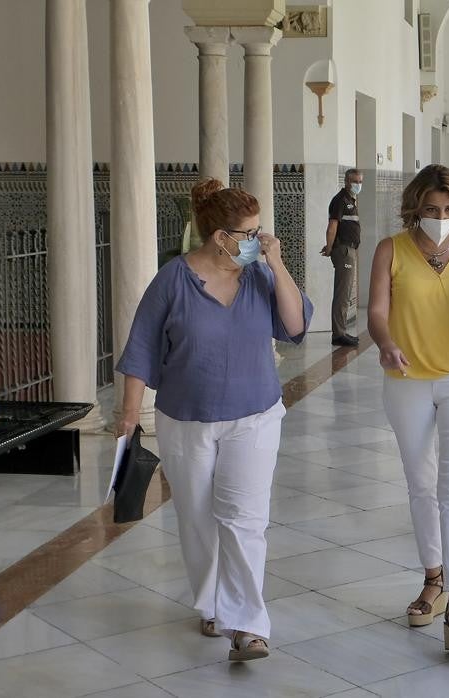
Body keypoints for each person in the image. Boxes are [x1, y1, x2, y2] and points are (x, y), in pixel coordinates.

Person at [115, 178, 314, 663]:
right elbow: (141, 347)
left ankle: (248, 624)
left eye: (260, 230)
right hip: (186, 420)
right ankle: (211, 604)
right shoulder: (172, 280)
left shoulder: (261, 277)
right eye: (249, 233)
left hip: (255, 415)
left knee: (245, 521)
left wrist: (277, 261)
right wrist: (127, 414)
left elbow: (296, 326)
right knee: (198, 518)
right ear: (219, 237)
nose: (258, 239)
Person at [368, 164, 449, 653]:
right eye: (431, 210)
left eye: (448, 210)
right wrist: (384, 342)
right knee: (420, 483)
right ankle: (432, 577)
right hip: (406, 379)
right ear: (415, 209)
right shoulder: (391, 249)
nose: (440, 218)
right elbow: (377, 312)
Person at [322, 169, 364, 346]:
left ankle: (341, 331)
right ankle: (338, 334)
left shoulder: (350, 200)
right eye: (355, 181)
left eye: (360, 181)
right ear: (347, 181)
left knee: (346, 292)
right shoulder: (340, 200)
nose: (358, 185)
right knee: (342, 293)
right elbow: (332, 226)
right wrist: (330, 248)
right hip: (344, 251)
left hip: (349, 249)